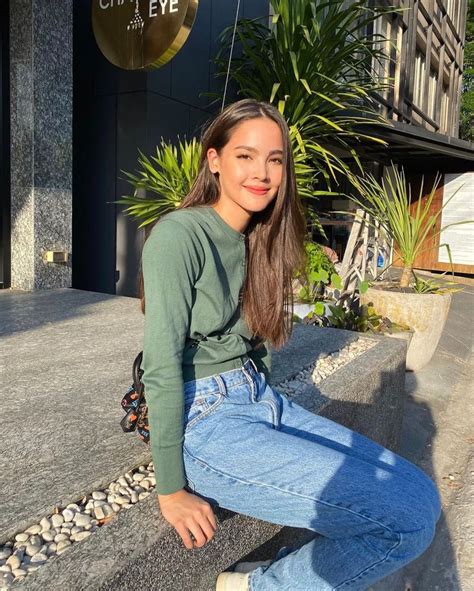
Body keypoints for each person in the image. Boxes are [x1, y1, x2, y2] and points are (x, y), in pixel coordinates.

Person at [139, 99, 441, 591]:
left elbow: (254, 342)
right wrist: (170, 489)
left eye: (274, 160)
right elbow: (161, 364)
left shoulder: (261, 236)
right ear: (213, 160)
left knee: (422, 500)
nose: (261, 173)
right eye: (245, 156)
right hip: (208, 421)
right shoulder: (181, 235)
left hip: (260, 400)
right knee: (404, 524)